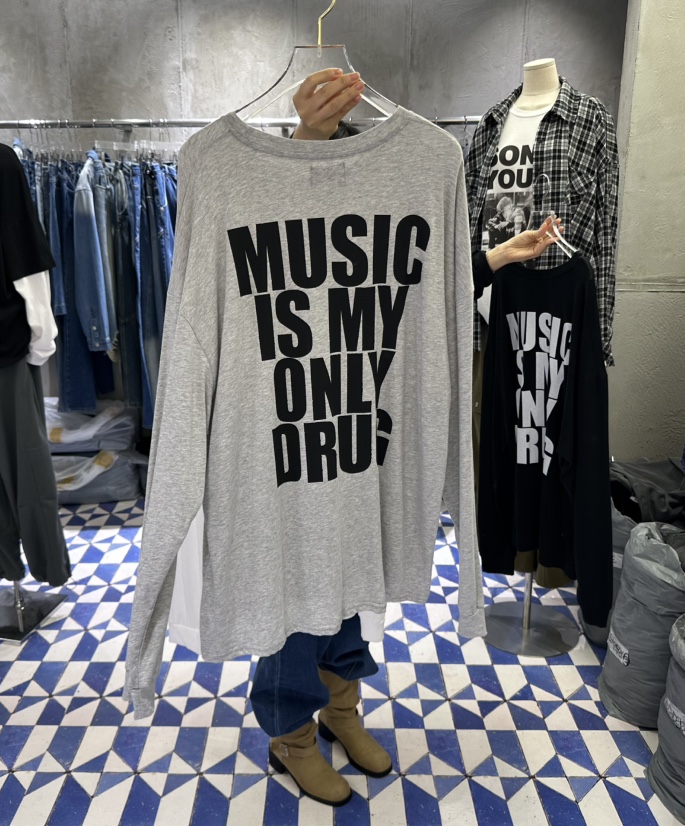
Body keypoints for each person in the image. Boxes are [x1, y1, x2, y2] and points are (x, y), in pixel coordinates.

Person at [249, 69, 564, 809]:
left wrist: (494, 258)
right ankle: (289, 736)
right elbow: (272, 247)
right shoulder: (266, 179)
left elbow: (416, 280)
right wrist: (305, 138)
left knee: (351, 579)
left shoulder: (405, 167)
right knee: (295, 590)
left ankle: (342, 709)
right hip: (293, 430)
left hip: (363, 429)